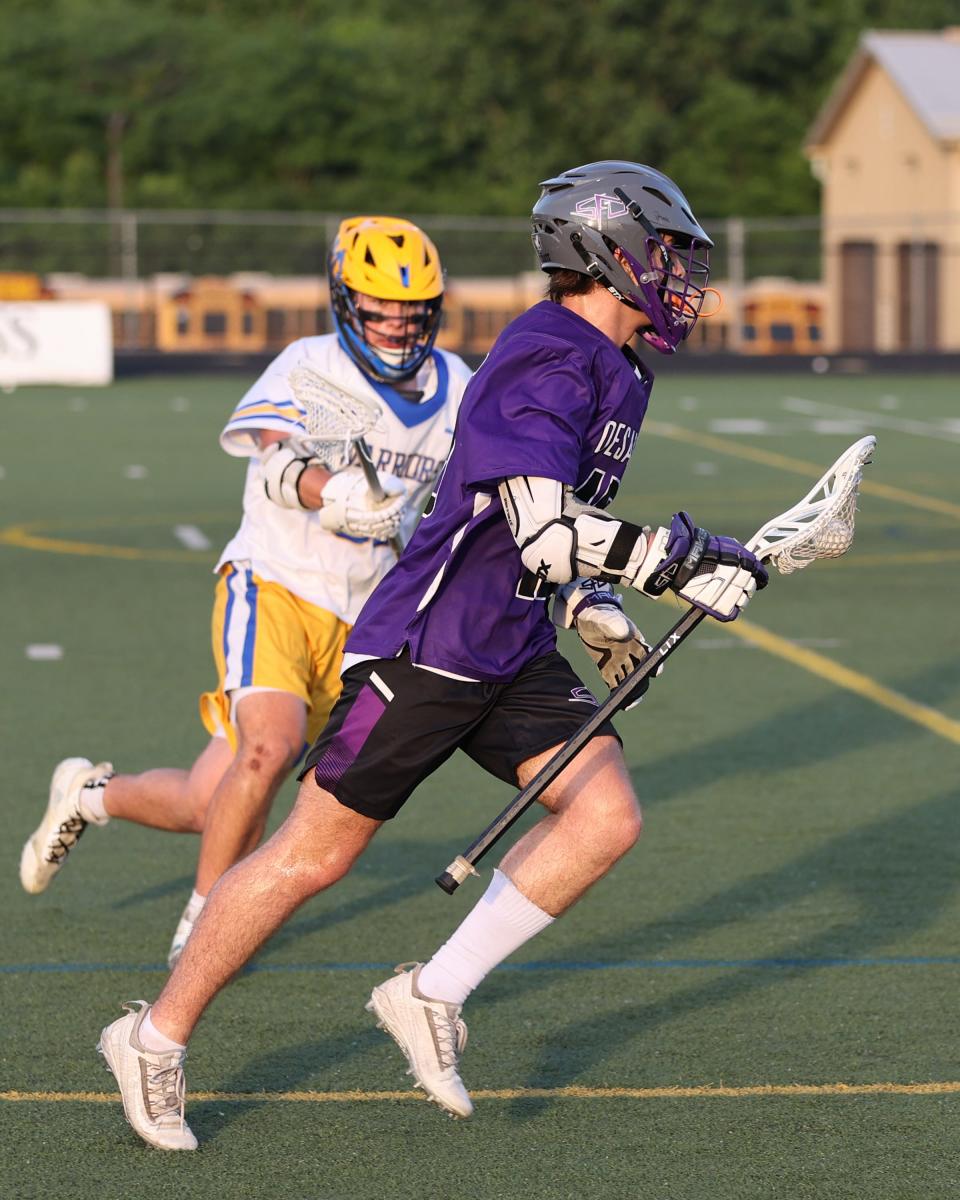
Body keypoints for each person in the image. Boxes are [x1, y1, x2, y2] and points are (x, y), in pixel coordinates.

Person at [93, 161, 769, 1151]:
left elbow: (556, 533)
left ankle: (430, 991)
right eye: (665, 253)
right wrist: (670, 564)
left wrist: (597, 600)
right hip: (431, 645)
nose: (679, 276)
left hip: (511, 645)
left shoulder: (624, 367)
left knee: (607, 814)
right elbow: (538, 525)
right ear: (606, 252)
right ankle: (152, 1038)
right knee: (312, 858)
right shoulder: (550, 349)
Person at [20, 216, 472, 969]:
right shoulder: (308, 362)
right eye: (379, 308)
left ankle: (90, 794)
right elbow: (270, 462)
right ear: (344, 300)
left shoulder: (459, 387)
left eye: (411, 310)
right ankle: (205, 923)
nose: (397, 324)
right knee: (269, 748)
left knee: (213, 800)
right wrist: (333, 492)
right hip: (277, 580)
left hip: (366, 616)